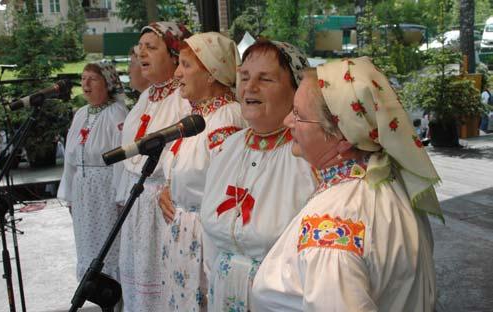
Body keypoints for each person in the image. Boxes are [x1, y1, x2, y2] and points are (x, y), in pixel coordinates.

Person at [252, 57, 441, 311]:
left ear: (343, 138)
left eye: (298, 114)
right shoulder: (389, 179)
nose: (287, 121)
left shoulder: (332, 225)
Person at [200, 39, 317, 311]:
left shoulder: (308, 158)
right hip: (223, 292)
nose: (250, 88)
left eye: (265, 79)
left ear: (296, 90)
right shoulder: (228, 147)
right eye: (244, 77)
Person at [158, 32, 247, 311]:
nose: (176, 73)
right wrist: (167, 190)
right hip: (184, 233)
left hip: (205, 237)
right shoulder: (198, 116)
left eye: (186, 65)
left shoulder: (226, 117)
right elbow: (183, 170)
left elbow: (226, 188)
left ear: (211, 73)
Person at [116, 22, 191, 312]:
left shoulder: (183, 98)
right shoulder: (146, 96)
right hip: (139, 206)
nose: (142, 52)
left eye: (152, 47)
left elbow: (188, 153)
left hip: (165, 206)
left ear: (175, 55)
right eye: (140, 47)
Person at [57, 61, 128, 282]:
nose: (85, 84)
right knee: (87, 244)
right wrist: (69, 194)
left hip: (106, 191)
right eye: (83, 78)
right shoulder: (80, 114)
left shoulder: (117, 114)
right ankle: (96, 289)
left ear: (107, 83)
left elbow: (123, 159)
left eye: (93, 79)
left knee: (108, 247)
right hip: (83, 192)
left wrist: (120, 195)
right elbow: (71, 159)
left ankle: (113, 294)